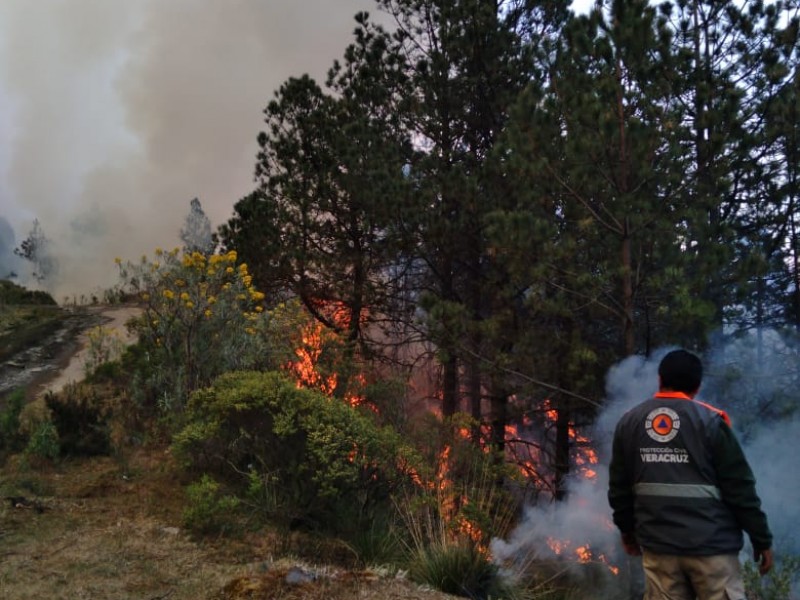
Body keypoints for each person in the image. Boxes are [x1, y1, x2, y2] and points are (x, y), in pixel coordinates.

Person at [608, 349, 773, 600]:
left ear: (660, 380)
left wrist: (627, 531)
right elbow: (740, 489)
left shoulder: (629, 422)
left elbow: (619, 488)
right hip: (712, 550)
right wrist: (761, 539)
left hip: (659, 548)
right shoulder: (711, 422)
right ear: (697, 386)